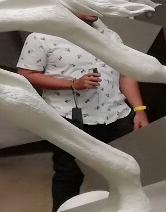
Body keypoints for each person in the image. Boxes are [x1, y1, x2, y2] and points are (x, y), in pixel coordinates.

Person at [17, 14, 148, 211]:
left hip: (117, 115)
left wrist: (139, 109)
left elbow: (125, 73)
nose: (93, 8)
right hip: (69, 119)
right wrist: (72, 84)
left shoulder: (110, 35)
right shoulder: (42, 36)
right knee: (69, 175)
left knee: (126, 172)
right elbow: (27, 73)